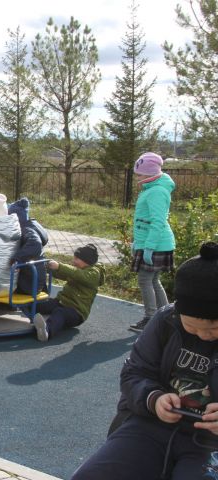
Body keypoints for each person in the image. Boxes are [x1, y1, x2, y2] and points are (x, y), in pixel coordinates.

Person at [72, 242, 218, 480]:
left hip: (209, 443)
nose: (203, 335)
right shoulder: (167, 320)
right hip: (152, 425)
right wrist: (155, 398)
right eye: (192, 328)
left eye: (212, 329)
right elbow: (134, 372)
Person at [128, 152, 176, 333]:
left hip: (156, 244)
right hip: (150, 243)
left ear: (149, 174)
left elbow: (157, 222)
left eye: (139, 174)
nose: (137, 178)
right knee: (153, 280)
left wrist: (148, 247)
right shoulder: (152, 189)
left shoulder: (157, 191)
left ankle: (151, 318)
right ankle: (167, 317)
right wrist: (137, 243)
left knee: (145, 280)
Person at [33, 244, 105, 342]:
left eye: (76, 259)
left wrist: (59, 266)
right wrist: (48, 268)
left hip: (77, 312)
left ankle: (47, 331)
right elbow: (64, 273)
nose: (73, 262)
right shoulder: (79, 269)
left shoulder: (94, 274)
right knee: (44, 304)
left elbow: (77, 274)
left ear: (86, 261)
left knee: (59, 313)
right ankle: (26, 309)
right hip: (62, 302)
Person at [8, 197, 48, 295]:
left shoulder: (26, 230)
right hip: (36, 281)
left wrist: (17, 258)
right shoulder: (30, 226)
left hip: (29, 284)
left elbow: (35, 244)